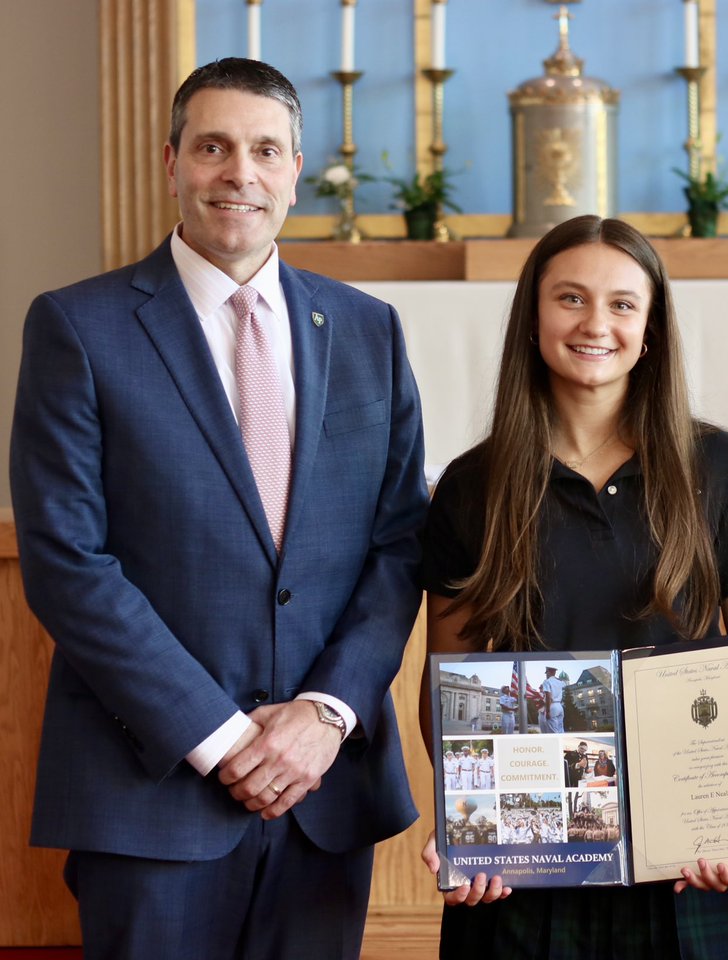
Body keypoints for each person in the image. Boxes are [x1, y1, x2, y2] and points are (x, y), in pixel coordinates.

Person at [9, 58, 427, 959]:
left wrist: (323, 715)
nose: (240, 172)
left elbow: (401, 546)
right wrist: (222, 736)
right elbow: (65, 560)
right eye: (213, 147)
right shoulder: (78, 328)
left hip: (325, 791)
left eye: (265, 150)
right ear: (172, 164)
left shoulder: (367, 330)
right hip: (152, 788)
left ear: (295, 169)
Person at [418, 215, 728, 959]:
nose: (597, 323)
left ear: (651, 328)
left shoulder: (716, 468)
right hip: (534, 872)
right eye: (570, 298)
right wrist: (478, 823)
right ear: (532, 317)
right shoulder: (474, 485)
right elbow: (449, 683)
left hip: (693, 864)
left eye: (623, 303)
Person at [540, 665, 566, 733]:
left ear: (548, 672)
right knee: (560, 729)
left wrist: (548, 711)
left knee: (553, 731)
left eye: (546, 673)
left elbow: (548, 696)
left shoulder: (547, 681)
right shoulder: (560, 682)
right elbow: (564, 685)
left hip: (552, 706)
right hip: (560, 706)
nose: (546, 675)